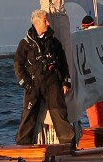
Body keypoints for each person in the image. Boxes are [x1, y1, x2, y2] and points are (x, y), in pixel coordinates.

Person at [14, 9, 75, 147]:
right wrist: (26, 84)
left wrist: (66, 82)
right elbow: (18, 65)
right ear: (36, 23)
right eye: (44, 21)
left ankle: (68, 143)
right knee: (28, 115)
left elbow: (63, 64)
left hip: (52, 82)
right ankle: (22, 144)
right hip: (33, 83)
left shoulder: (54, 43)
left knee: (58, 111)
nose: (48, 23)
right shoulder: (25, 44)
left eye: (47, 20)